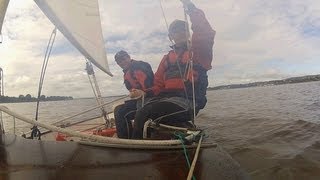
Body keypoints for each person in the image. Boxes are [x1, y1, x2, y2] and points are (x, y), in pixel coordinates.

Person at [130, 0, 215, 139]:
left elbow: (205, 32)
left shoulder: (198, 52)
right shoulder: (166, 59)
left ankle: (136, 151)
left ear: (188, 33)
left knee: (143, 113)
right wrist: (142, 92)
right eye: (175, 31)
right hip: (167, 99)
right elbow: (158, 86)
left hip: (188, 103)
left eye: (183, 29)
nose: (179, 32)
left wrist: (191, 8)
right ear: (170, 36)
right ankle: (150, 138)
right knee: (132, 108)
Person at [113, 50, 154, 139]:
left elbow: (147, 84)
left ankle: (128, 140)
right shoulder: (127, 72)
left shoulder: (139, 66)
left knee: (121, 112)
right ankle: (127, 137)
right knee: (119, 109)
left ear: (128, 57)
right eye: (119, 61)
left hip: (150, 99)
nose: (122, 62)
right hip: (140, 99)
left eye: (123, 59)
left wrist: (143, 92)